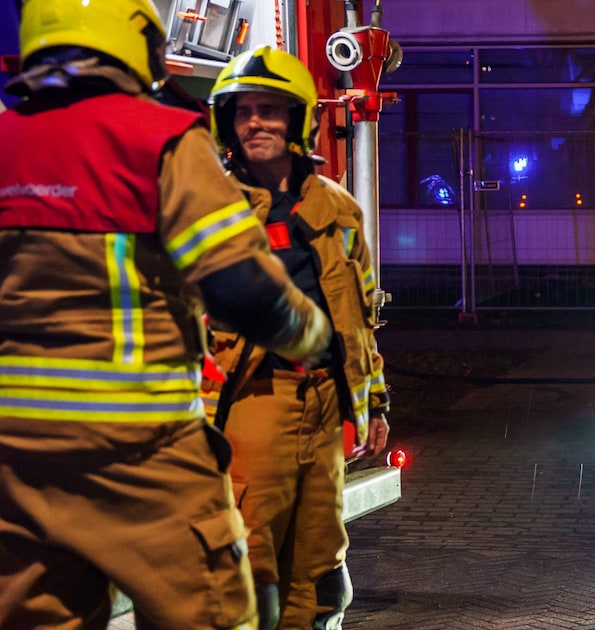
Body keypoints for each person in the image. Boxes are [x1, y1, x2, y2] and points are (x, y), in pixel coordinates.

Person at [0, 1, 332, 628]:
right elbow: (242, 289)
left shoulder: (5, 142)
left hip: (16, 459)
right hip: (138, 446)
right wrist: (313, 335)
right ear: (139, 40)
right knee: (213, 611)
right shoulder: (160, 139)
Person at [203, 45, 391, 630]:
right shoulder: (210, 207)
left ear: (298, 119)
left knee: (320, 563)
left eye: (269, 110)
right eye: (242, 111)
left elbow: (360, 316)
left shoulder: (337, 208)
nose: (255, 122)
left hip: (327, 404)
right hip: (254, 404)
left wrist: (376, 401)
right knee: (250, 563)